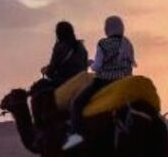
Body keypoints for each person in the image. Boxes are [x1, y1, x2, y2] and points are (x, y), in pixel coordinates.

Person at [63, 15, 135, 150]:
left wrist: (90, 63)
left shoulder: (103, 43)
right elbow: (131, 64)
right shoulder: (127, 43)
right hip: (125, 82)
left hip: (104, 82)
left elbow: (97, 67)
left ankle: (76, 134)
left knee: (76, 103)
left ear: (108, 28)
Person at [41, 21, 88, 87]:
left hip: (64, 82)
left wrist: (44, 70)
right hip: (81, 81)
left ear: (58, 33)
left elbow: (51, 70)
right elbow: (85, 66)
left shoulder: (60, 47)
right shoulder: (81, 46)